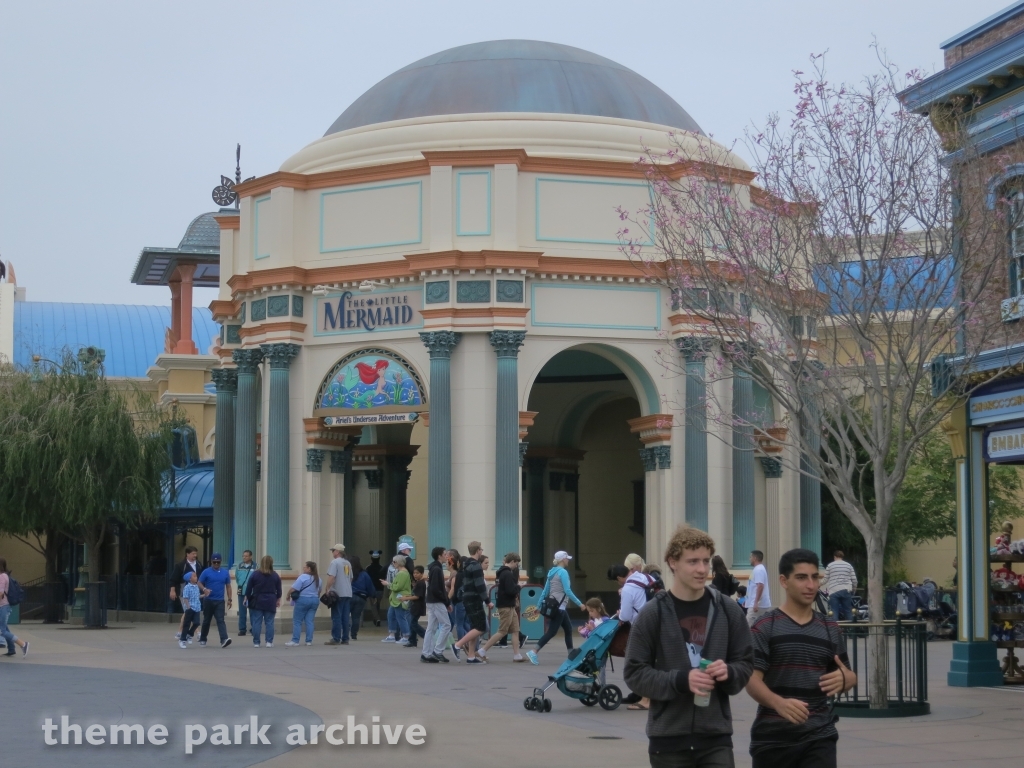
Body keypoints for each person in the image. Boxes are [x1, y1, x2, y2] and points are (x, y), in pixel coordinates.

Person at [624, 526, 754, 768]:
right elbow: (634, 673)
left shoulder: (728, 610)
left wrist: (730, 672)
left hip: (716, 738)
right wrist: (681, 680)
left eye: (706, 561)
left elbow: (746, 663)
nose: (702, 569)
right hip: (669, 740)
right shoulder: (653, 613)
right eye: (693, 561)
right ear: (673, 562)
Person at [745, 548, 856, 768]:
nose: (811, 585)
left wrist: (848, 680)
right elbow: (751, 680)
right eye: (802, 577)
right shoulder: (766, 626)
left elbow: (846, 673)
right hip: (773, 739)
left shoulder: (829, 628)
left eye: (815, 577)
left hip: (819, 735)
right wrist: (779, 703)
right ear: (784, 581)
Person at [527, 550, 584, 665]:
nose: (568, 560)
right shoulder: (563, 572)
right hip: (560, 607)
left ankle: (571, 654)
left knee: (568, 629)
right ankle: (534, 651)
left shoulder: (551, 572)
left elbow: (545, 591)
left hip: (555, 605)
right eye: (567, 558)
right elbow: (567, 591)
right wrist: (580, 604)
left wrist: (538, 606)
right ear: (563, 559)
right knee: (551, 632)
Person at [618, 553, 656, 711]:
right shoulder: (649, 579)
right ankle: (644, 695)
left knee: (640, 662)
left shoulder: (629, 587)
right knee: (650, 660)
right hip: (654, 622)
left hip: (641, 626)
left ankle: (646, 698)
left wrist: (620, 614)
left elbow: (626, 615)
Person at [478, 552, 524, 662]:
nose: (516, 566)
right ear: (512, 562)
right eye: (516, 563)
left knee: (515, 630)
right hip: (506, 605)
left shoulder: (501, 573)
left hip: (508, 605)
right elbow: (510, 590)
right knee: (502, 631)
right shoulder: (508, 574)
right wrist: (518, 587)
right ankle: (482, 651)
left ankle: (517, 655)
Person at [452, 541, 491, 664]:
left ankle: (471, 656)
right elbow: (480, 586)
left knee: (474, 626)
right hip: (474, 598)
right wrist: (487, 601)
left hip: (466, 598)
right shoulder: (476, 566)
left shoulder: (466, 564)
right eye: (481, 549)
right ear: (478, 550)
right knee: (481, 627)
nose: (482, 551)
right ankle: (457, 645)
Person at [422, 546, 455, 663]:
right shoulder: (437, 569)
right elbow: (437, 588)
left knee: (431, 628)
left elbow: (434, 587)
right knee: (446, 625)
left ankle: (426, 653)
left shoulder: (433, 568)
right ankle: (438, 651)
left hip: (432, 600)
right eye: (445, 554)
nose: (447, 556)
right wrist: (446, 602)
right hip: (437, 601)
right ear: (439, 556)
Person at [245, 555, 282, 648]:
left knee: (257, 622)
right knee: (269, 622)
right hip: (271, 599)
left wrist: (246, 598)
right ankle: (269, 642)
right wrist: (278, 599)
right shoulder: (275, 575)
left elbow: (249, 588)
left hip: (258, 599)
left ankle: (256, 642)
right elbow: (279, 590)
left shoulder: (255, 574)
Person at [197, 553, 232, 648]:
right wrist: (204, 589)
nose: (216, 563)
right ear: (211, 562)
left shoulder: (225, 573)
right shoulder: (206, 572)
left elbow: (228, 586)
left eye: (218, 562)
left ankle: (224, 639)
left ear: (220, 562)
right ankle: (203, 638)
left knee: (220, 620)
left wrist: (230, 599)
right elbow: (199, 582)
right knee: (206, 620)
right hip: (208, 600)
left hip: (220, 600)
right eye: (214, 562)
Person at [169, 546, 202, 640]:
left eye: (196, 553)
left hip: (195, 591)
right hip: (185, 591)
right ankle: (197, 632)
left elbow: (201, 578)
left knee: (189, 612)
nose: (195, 555)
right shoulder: (181, 565)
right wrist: (172, 590)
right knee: (189, 611)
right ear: (187, 554)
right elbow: (173, 579)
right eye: (193, 554)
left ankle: (180, 631)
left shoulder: (198, 564)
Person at [286, 561, 321, 647]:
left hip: (303, 600)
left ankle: (295, 640)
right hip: (315, 600)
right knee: (309, 621)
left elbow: (293, 588)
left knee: (297, 621)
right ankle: (309, 641)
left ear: (309, 569)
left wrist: (287, 595)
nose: (303, 568)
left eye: (304, 567)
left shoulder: (303, 577)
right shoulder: (318, 579)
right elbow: (319, 591)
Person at [324, 544, 353, 645]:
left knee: (336, 616)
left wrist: (327, 588)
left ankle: (336, 638)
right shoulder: (347, 563)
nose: (332, 553)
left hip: (338, 593)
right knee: (345, 616)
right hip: (347, 592)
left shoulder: (335, 562)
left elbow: (332, 577)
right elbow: (350, 578)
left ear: (337, 552)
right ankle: (345, 638)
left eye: (333, 551)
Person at [0, 557, 29, 657]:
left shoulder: (2, 576)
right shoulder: (3, 575)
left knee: (2, 631)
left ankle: (23, 644)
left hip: (3, 606)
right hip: (3, 606)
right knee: (5, 629)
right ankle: (11, 649)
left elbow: (1, 593)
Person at [822, 550, 857, 621]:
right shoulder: (848, 565)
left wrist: (818, 584)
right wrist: (854, 589)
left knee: (834, 611)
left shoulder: (830, 565)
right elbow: (854, 580)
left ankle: (835, 630)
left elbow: (825, 579)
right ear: (842, 557)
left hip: (834, 590)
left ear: (834, 557)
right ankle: (851, 630)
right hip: (846, 590)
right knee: (848, 611)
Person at [388, 555, 413, 647]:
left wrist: (388, 584)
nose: (393, 564)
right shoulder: (400, 572)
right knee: (391, 615)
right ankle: (392, 634)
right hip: (396, 599)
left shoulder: (402, 573)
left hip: (400, 598)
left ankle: (406, 636)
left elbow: (398, 587)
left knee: (400, 617)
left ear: (398, 563)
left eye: (394, 562)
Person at [349, 555, 374, 640]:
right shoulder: (364, 574)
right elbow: (369, 586)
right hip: (361, 598)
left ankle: (345, 633)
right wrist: (372, 596)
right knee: (356, 617)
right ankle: (354, 634)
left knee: (345, 615)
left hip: (349, 596)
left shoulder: (348, 573)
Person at [178, 571, 202, 648]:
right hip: (190, 608)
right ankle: (182, 640)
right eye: (194, 576)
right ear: (190, 579)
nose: (196, 578)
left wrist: (205, 594)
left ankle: (189, 634)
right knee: (186, 624)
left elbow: (198, 596)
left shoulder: (196, 587)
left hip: (197, 608)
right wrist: (188, 607)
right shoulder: (187, 587)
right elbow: (185, 598)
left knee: (197, 622)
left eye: (196, 576)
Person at [747, 550, 771, 627]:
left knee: (748, 628)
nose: (749, 559)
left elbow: (760, 586)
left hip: (758, 606)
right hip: (757, 604)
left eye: (750, 557)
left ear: (755, 558)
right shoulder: (758, 569)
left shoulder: (759, 569)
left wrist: (756, 602)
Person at [235, 549, 256, 636]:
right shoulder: (239, 566)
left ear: (251, 556)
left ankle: (254, 629)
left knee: (253, 612)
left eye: (246, 556)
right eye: (243, 556)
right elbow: (237, 578)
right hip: (242, 591)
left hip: (252, 592)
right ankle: (242, 629)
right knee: (242, 612)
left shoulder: (256, 566)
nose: (244, 557)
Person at [406, 565, 428, 648]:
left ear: (422, 574)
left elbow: (417, 596)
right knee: (412, 623)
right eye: (414, 573)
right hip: (414, 606)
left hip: (418, 606)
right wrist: (407, 596)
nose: (415, 575)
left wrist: (405, 598)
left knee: (413, 623)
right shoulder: (417, 583)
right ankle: (412, 640)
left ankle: (426, 636)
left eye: (417, 573)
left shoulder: (420, 583)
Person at [365, 550, 386, 627]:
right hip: (380, 589)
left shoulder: (368, 568)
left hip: (371, 589)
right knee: (378, 604)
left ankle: (377, 619)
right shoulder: (382, 568)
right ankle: (377, 617)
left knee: (373, 604)